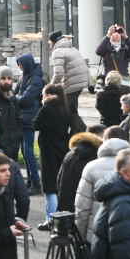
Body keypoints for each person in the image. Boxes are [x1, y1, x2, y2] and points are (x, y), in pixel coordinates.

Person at [34, 83, 84, 216]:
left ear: (49, 95)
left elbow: (36, 124)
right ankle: (61, 216)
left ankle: (51, 218)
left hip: (48, 149)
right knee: (60, 182)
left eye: (43, 95)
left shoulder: (47, 108)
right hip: (63, 147)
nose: (42, 98)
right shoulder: (67, 107)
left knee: (49, 186)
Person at [14, 52, 45, 189]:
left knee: (28, 152)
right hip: (22, 118)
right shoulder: (24, 77)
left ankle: (36, 183)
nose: (20, 67)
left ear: (26, 64)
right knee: (25, 152)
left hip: (29, 119)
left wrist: (15, 98)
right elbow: (15, 94)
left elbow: (25, 99)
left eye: (21, 65)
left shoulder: (36, 79)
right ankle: (31, 181)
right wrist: (16, 97)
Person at [48, 32, 89, 112]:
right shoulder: (72, 49)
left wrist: (50, 87)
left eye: (50, 43)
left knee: (68, 111)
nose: (49, 46)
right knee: (72, 110)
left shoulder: (58, 52)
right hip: (80, 82)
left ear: (53, 42)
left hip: (72, 84)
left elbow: (58, 73)